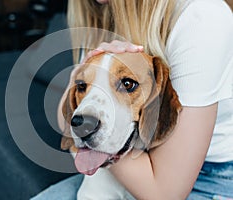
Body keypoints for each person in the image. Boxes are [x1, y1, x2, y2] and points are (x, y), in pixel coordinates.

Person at [31, 0, 233, 199]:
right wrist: (79, 76)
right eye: (83, 87)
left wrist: (103, 139)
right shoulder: (99, 12)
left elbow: (165, 194)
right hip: (130, 163)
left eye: (127, 84)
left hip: (208, 179)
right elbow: (68, 121)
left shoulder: (201, 17)